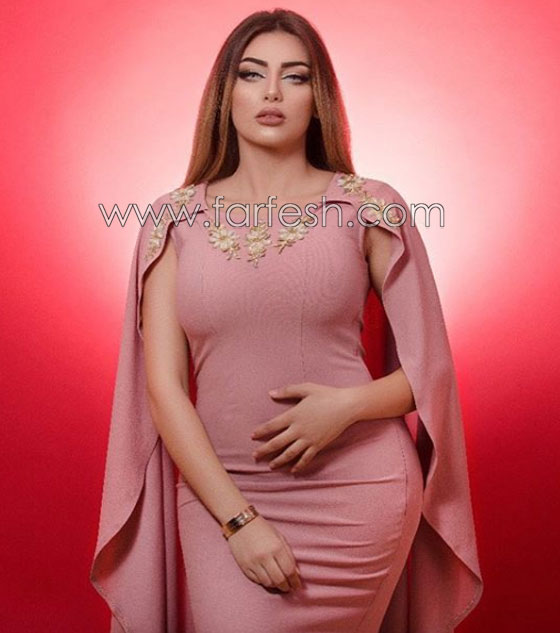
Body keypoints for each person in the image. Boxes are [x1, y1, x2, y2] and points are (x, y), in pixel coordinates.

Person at [90, 9, 483, 633]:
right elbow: (163, 391)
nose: (272, 92)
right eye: (252, 74)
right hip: (220, 496)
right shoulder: (173, 220)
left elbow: (429, 372)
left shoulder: (370, 206)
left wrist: (345, 407)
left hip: (359, 491)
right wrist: (238, 520)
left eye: (294, 77)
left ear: (317, 99)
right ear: (226, 95)